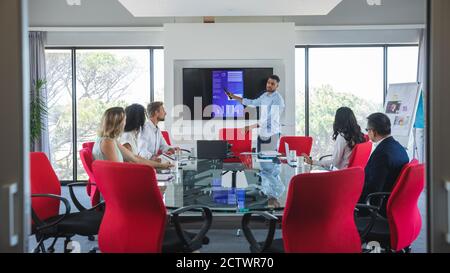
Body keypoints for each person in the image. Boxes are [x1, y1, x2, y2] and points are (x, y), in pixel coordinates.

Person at [226, 75, 285, 207]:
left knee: (268, 166)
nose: (269, 85)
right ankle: (270, 194)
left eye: (272, 84)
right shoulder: (265, 96)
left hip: (271, 134)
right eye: (268, 83)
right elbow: (252, 102)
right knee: (264, 164)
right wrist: (234, 97)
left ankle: (276, 192)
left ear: (277, 86)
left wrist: (250, 126)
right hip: (262, 134)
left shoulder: (278, 100)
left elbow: (269, 121)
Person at [92, 107, 172, 170]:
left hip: (118, 181)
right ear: (118, 123)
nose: (125, 123)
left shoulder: (111, 140)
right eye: (124, 120)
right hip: (116, 186)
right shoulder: (107, 142)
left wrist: (160, 165)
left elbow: (134, 157)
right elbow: (117, 171)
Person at [361, 112, 409, 214]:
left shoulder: (382, 154)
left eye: (367, 130)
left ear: (373, 132)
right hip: (393, 203)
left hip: (375, 207)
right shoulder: (399, 148)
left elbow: (373, 188)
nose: (367, 133)